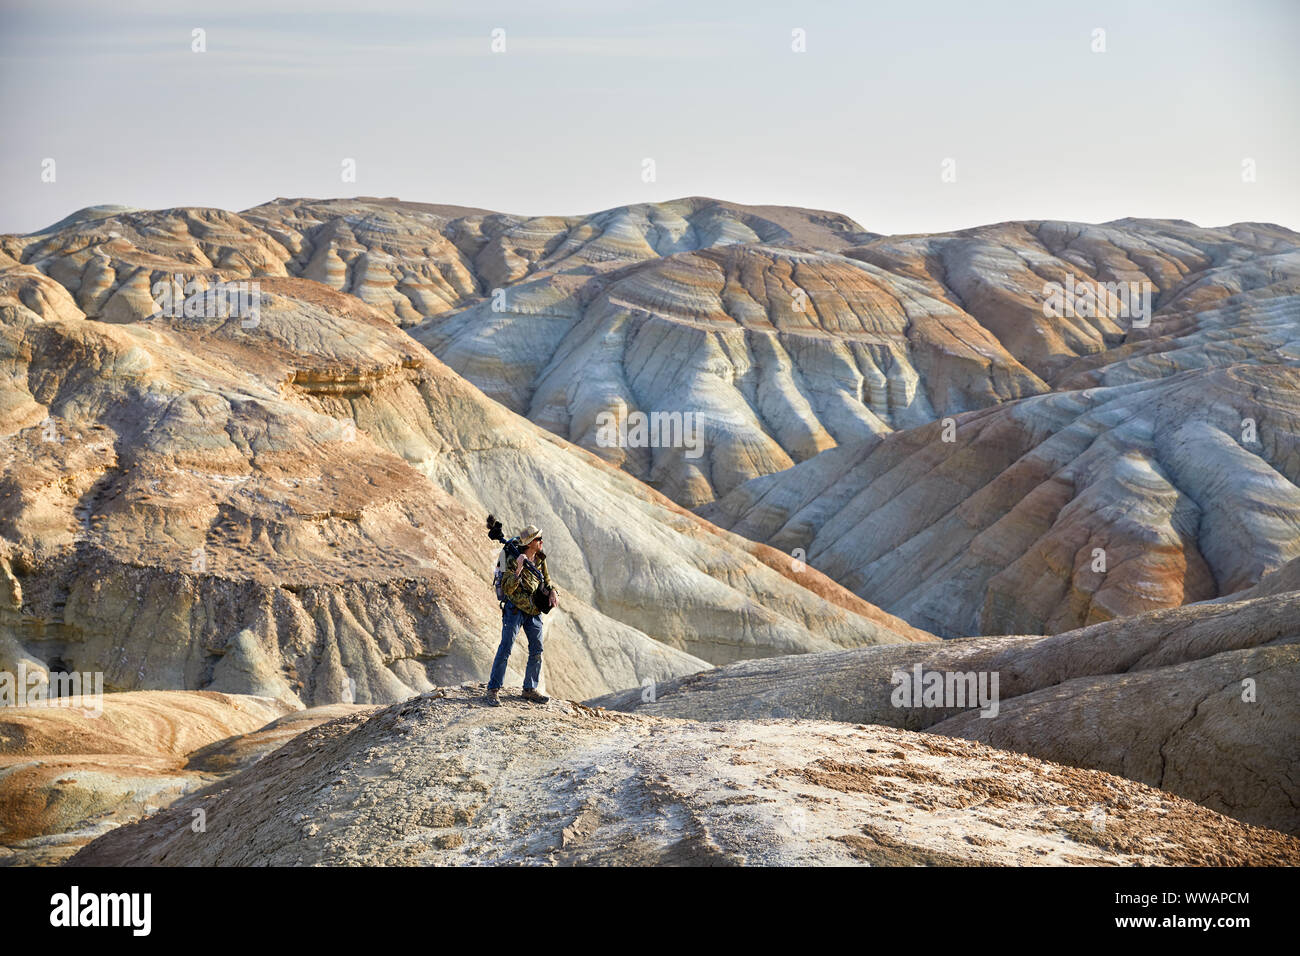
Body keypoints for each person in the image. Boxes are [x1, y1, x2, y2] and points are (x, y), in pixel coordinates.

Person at [485, 524, 558, 706]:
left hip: (533, 611)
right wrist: (518, 567)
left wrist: (553, 591)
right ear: (531, 542)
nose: (541, 541)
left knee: (537, 650)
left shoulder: (540, 558)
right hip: (515, 609)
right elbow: (508, 587)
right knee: (506, 648)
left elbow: (546, 580)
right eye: (538, 539)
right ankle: (493, 690)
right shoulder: (512, 558)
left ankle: (529, 689)